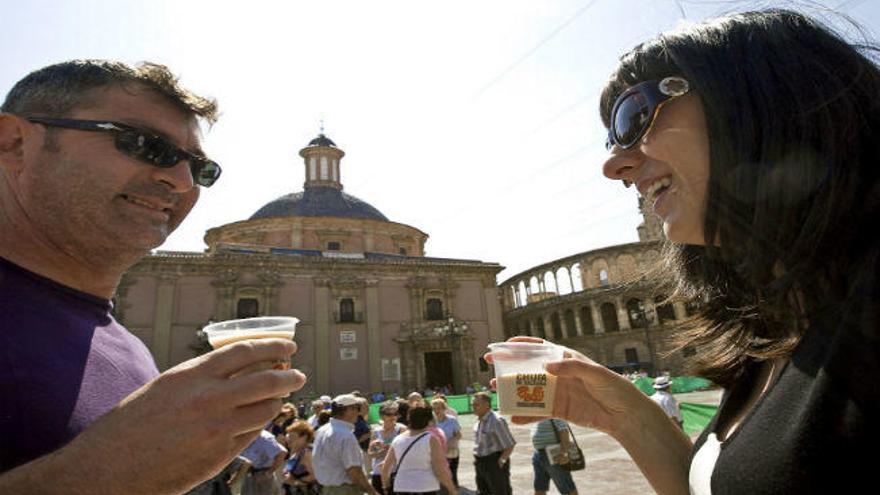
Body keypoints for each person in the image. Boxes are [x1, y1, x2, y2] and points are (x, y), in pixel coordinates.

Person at [488, 8, 880, 494]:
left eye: (632, 116)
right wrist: (628, 415)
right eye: (612, 138)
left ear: (761, 97)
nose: (614, 165)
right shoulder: (769, 340)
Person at [0, 60, 306, 493]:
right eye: (144, 144)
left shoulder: (132, 353)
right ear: (14, 143)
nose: (181, 181)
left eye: (199, 169)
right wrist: (105, 473)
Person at [380, 404, 457, 495]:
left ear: (408, 418)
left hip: (402, 487)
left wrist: (386, 487)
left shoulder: (397, 439)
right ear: (428, 420)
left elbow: (386, 468)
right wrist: (452, 490)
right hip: (425, 487)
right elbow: (440, 469)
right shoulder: (431, 439)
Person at [312, 394, 378, 495]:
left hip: (327, 489)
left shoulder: (322, 430)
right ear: (348, 410)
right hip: (344, 490)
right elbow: (354, 471)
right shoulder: (345, 435)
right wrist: (372, 492)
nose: (358, 412)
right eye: (357, 408)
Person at [470, 392, 514, 495]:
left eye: (476, 405)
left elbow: (509, 444)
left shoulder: (496, 421)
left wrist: (502, 460)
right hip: (480, 463)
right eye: (472, 405)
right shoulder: (479, 421)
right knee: (483, 491)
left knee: (500, 491)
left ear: (487, 405)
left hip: (494, 462)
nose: (473, 407)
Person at [530, 419, 579, 495]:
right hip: (539, 455)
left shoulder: (555, 414)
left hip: (555, 455)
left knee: (568, 489)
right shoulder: (538, 415)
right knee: (540, 488)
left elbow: (564, 434)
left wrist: (565, 455)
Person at [368, 402, 407, 494]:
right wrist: (381, 450)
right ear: (382, 416)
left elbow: (404, 451)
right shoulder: (375, 431)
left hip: (395, 473)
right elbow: (370, 454)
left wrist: (386, 448)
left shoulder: (402, 429)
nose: (393, 417)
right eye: (389, 414)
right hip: (377, 473)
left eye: (395, 414)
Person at [239, 429, 288, 495]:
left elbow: (282, 453)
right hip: (248, 474)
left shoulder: (264, 437)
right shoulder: (244, 435)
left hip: (262, 476)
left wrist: (267, 474)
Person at [431, 398, 462, 489]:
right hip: (437, 454)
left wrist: (449, 442)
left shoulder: (452, 420)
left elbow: (459, 435)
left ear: (444, 409)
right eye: (434, 408)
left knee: (452, 475)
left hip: (451, 451)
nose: (436, 411)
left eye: (439, 408)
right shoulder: (431, 423)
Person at [283, 421, 319, 495]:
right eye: (288, 436)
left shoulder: (307, 453)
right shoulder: (296, 451)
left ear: (304, 437)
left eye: (292, 436)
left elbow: (315, 476)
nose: (288, 439)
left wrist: (296, 482)